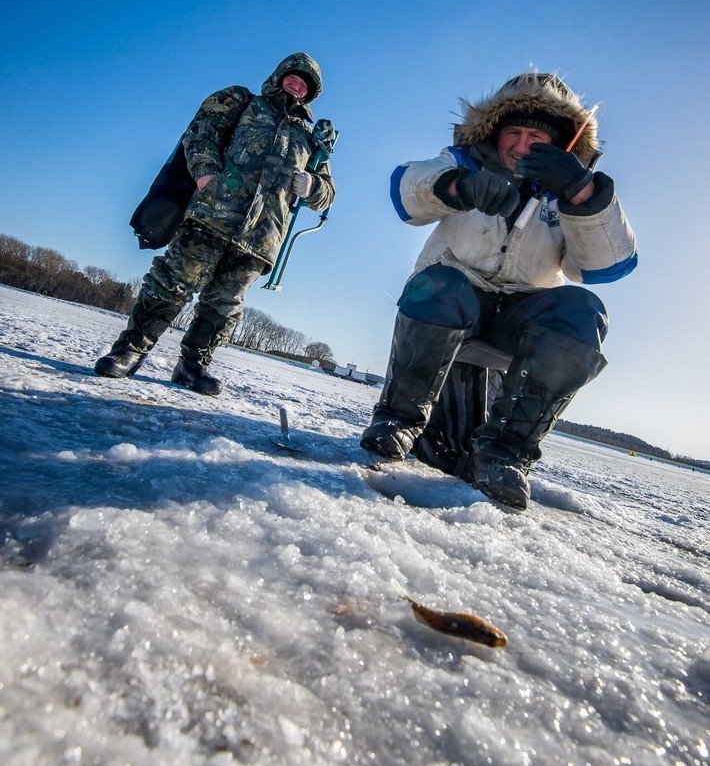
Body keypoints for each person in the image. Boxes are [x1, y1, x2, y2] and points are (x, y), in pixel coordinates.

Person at [361, 72, 637, 510]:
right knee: (438, 284)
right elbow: (406, 192)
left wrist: (582, 193)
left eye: (536, 137)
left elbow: (606, 266)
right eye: (515, 132)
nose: (522, 145)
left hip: (521, 317)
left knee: (583, 310)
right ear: (495, 132)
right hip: (453, 303)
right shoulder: (463, 160)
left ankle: (504, 453)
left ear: (561, 145)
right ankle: (399, 419)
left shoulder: (570, 192)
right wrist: (459, 185)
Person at [95, 53, 335, 395]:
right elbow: (202, 132)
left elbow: (327, 192)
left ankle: (192, 366)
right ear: (280, 75)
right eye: (293, 78)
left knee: (224, 306)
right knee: (172, 282)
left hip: (261, 237)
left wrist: (312, 185)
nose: (297, 86)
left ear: (311, 94)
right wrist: (207, 174)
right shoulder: (244, 103)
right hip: (213, 215)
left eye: (305, 85)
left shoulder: (311, 141)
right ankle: (130, 350)